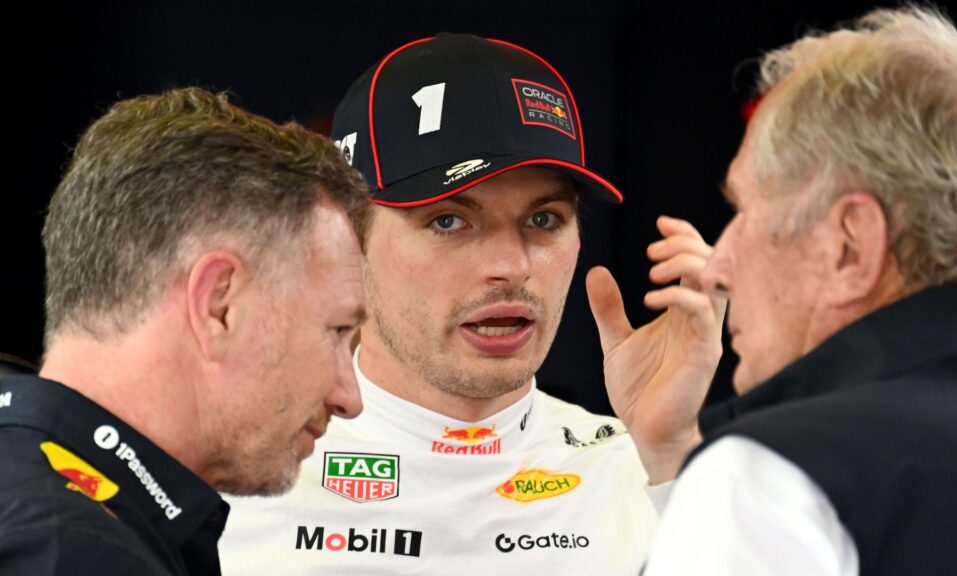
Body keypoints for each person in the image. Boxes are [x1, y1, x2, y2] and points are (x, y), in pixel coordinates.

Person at [219, 33, 724, 575]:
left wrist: (671, 458)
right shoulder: (240, 485)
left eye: (543, 219)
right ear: (347, 238)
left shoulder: (648, 473)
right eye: (449, 220)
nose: (512, 265)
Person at [645, 6, 957, 575]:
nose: (718, 269)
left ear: (849, 245)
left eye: (745, 211)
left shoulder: (775, 476)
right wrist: (670, 458)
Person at [0, 87, 368, 575]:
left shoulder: (44, 502)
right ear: (219, 304)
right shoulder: (78, 554)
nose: (349, 396)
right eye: (336, 330)